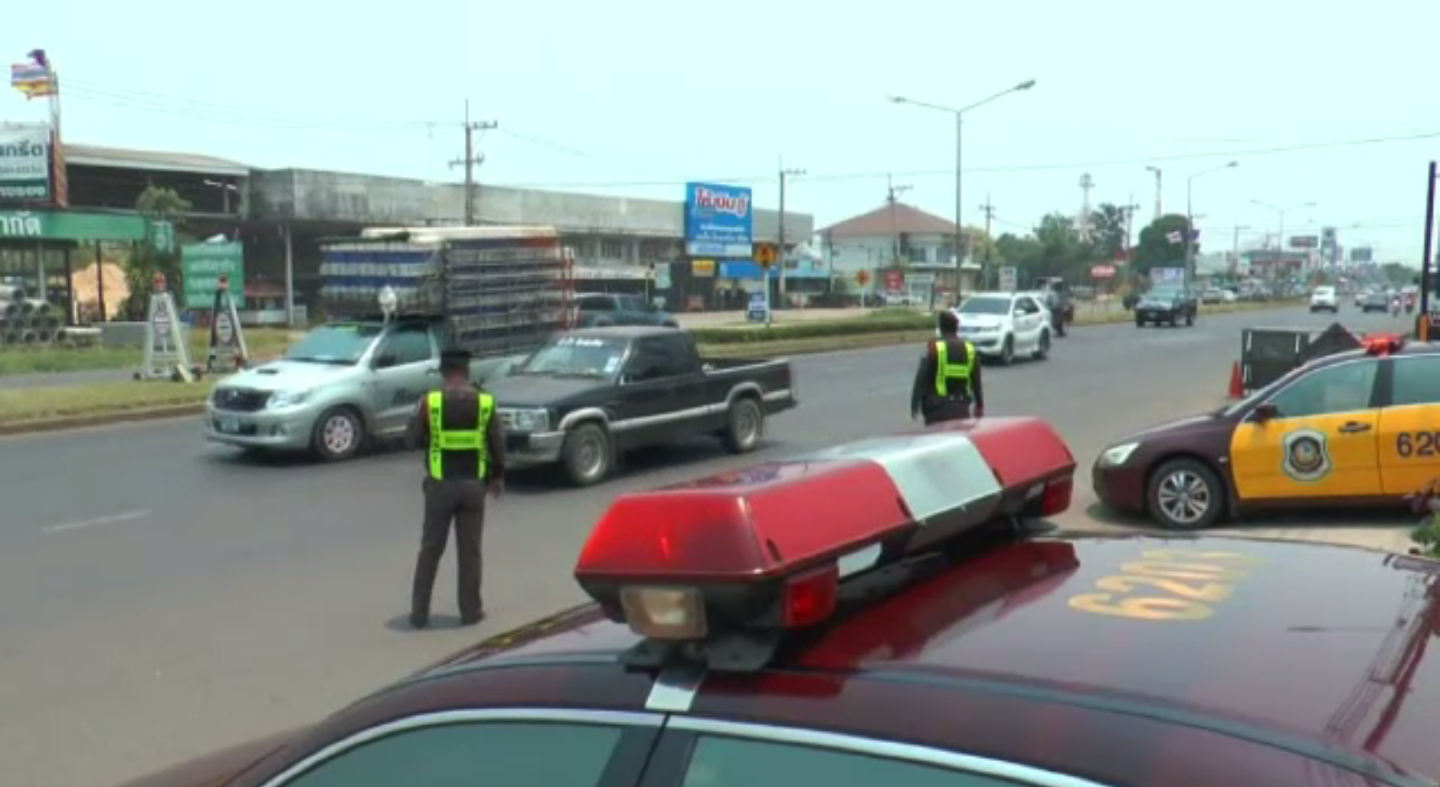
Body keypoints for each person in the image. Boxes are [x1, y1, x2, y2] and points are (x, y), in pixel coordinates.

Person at [407, 348, 505, 629]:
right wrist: (497, 478)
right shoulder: (486, 401)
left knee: (430, 550)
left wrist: (423, 426)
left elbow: (410, 440)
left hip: (439, 486)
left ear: (442, 371)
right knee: (470, 552)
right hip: (474, 486)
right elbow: (498, 445)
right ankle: (471, 612)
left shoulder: (430, 402)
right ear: (467, 370)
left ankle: (419, 613)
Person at [910, 310, 984, 425]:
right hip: (961, 407)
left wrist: (914, 405)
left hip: (936, 409)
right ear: (956, 328)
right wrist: (979, 405)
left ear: (940, 328)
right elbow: (976, 381)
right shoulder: (970, 349)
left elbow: (921, 378)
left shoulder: (934, 348)